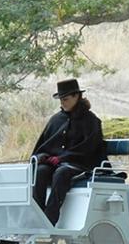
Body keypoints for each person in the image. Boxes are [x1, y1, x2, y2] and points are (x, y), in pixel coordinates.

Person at [31, 78, 107, 225]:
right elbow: (42, 146)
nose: (62, 103)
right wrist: (43, 157)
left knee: (62, 172)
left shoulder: (91, 121)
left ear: (76, 96)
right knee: (40, 171)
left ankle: (50, 218)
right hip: (57, 165)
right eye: (60, 99)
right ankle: (38, 217)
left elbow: (89, 148)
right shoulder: (56, 120)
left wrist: (63, 158)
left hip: (82, 164)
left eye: (65, 99)